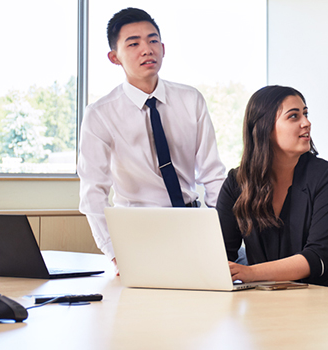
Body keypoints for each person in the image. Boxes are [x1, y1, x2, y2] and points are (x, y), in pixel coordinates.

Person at [78, 8, 226, 267]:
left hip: (192, 224)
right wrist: (114, 252)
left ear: (163, 48)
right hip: (137, 231)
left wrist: (222, 234)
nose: (147, 49)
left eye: (153, 40)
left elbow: (212, 174)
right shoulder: (100, 114)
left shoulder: (191, 100)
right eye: (133, 43)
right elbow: (93, 190)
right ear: (115, 57)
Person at [216, 85, 328, 292]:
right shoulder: (236, 182)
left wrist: (250, 273)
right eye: (294, 116)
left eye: (305, 114)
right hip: (267, 303)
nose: (307, 123)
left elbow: (316, 258)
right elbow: (220, 252)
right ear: (264, 128)